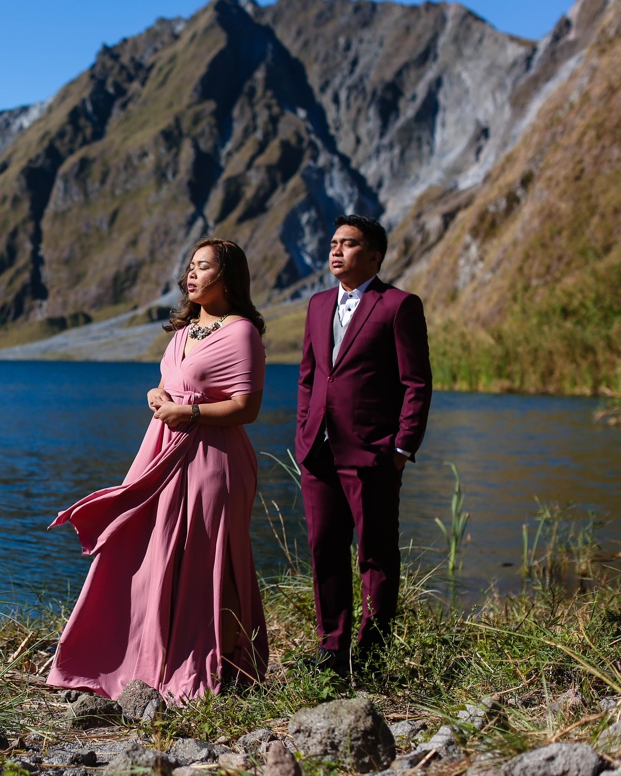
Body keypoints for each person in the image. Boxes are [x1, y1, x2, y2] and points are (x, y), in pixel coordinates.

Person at [47, 238, 269, 701]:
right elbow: (172, 383)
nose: (191, 275)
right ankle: (138, 660)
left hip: (214, 462)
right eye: (190, 266)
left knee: (209, 561)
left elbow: (247, 408)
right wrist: (157, 395)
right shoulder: (183, 332)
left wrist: (188, 415)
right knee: (148, 553)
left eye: (203, 267)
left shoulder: (242, 332)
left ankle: (217, 670)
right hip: (163, 452)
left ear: (227, 277)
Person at [295, 214, 432, 676]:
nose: (336, 251)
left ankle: (372, 654)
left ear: (373, 256)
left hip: (372, 454)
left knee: (375, 553)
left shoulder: (398, 305)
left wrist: (400, 450)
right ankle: (332, 650)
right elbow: (310, 378)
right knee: (323, 548)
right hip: (318, 452)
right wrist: (302, 435)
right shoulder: (316, 306)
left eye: (348, 244)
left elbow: (416, 383)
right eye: (333, 243)